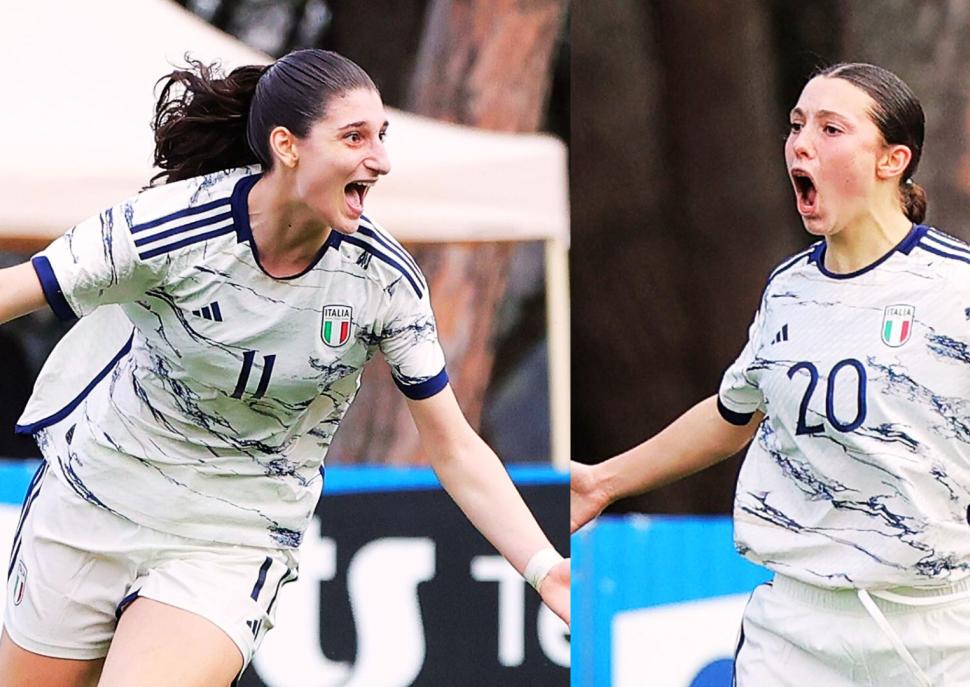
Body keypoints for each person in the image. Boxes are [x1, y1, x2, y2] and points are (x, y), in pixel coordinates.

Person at [0, 49, 568, 687]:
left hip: (230, 537)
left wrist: (544, 566)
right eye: (354, 137)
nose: (379, 159)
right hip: (91, 502)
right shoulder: (167, 228)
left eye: (383, 136)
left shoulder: (383, 282)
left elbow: (455, 447)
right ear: (287, 146)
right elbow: (16, 290)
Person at [572, 62, 970, 686]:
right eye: (795, 126)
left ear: (892, 160)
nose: (800, 142)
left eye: (830, 127)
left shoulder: (969, 288)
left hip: (948, 630)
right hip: (797, 633)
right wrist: (603, 481)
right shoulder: (786, 290)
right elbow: (734, 412)